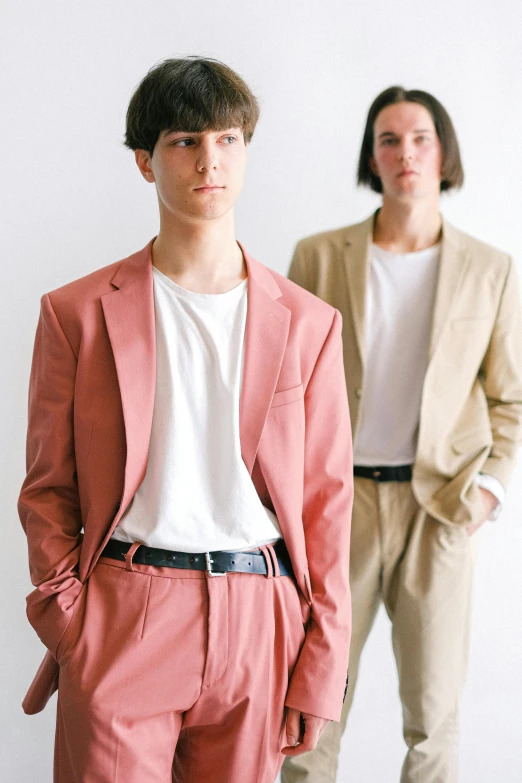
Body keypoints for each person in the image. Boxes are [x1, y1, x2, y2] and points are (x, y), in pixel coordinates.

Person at [18, 57, 353, 783]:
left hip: (260, 613)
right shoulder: (75, 313)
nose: (211, 160)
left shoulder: (307, 323)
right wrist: (71, 621)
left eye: (229, 140)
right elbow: (47, 488)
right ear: (145, 161)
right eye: (185, 141)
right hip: (126, 608)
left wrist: (320, 662)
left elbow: (328, 505)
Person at [281, 86, 522, 783]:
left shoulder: (491, 268)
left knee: (433, 717)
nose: (405, 152)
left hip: (438, 509)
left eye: (420, 137)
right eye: (388, 139)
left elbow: (511, 399)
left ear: (444, 152)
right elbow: (282, 392)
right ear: (371, 156)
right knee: (314, 706)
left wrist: (485, 494)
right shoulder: (319, 256)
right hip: (335, 508)